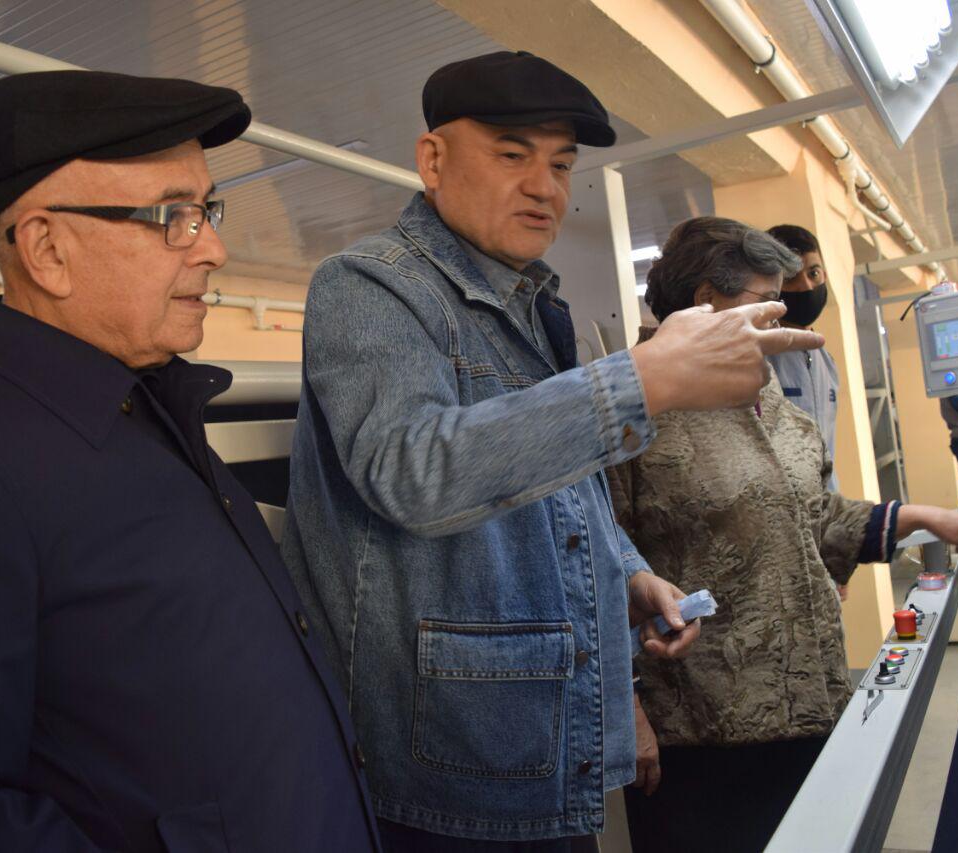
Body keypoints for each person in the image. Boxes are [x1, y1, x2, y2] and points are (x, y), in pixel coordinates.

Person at [0, 71, 377, 852]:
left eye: (207, 209)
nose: (214, 248)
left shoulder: (143, 406)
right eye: (174, 217)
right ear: (48, 249)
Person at [282, 52, 824, 851]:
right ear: (432, 159)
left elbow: (561, 480)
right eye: (512, 155)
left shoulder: (536, 305)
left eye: (562, 164)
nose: (546, 187)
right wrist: (640, 378)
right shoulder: (369, 286)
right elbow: (413, 469)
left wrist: (627, 570)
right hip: (450, 758)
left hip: (545, 736)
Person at [609, 217, 958, 853]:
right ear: (705, 301)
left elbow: (814, 517)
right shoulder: (630, 410)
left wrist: (923, 518)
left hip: (808, 700)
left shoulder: (765, 393)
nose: (783, 314)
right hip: (700, 730)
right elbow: (590, 565)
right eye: (767, 301)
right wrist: (625, 709)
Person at [765, 224, 840, 489]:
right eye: (791, 277)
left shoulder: (826, 361)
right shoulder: (762, 358)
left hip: (827, 498)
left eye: (813, 273)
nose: (806, 285)